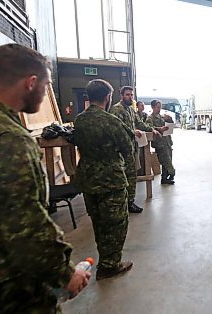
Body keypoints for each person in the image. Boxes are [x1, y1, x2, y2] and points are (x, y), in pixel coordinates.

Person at [0, 44, 89, 312]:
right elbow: (27, 227)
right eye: (46, 86)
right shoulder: (8, 140)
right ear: (31, 82)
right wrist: (65, 274)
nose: (46, 93)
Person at [74, 79, 135, 279]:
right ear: (108, 97)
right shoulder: (111, 121)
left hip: (88, 180)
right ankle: (110, 265)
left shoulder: (79, 120)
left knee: (99, 222)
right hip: (111, 180)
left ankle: (104, 259)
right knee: (116, 223)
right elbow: (128, 147)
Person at [111, 86, 156, 214]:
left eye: (131, 95)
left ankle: (130, 201)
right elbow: (116, 129)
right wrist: (132, 132)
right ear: (121, 95)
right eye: (127, 95)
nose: (130, 97)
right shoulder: (117, 109)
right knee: (122, 177)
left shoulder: (131, 110)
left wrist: (151, 129)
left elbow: (139, 123)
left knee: (131, 176)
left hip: (131, 148)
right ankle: (123, 203)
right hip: (121, 150)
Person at [147, 99, 176, 184]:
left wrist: (169, 119)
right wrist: (159, 129)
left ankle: (165, 177)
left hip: (167, 141)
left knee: (169, 159)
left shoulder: (162, 117)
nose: (159, 109)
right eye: (157, 107)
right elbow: (149, 128)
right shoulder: (150, 118)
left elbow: (170, 125)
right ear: (153, 107)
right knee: (164, 160)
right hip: (159, 143)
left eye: (160, 107)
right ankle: (171, 173)